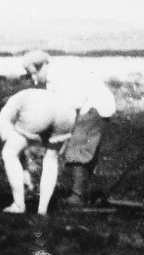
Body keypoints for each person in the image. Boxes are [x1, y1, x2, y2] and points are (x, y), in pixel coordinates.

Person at [20, 50, 116, 206]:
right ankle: (82, 193)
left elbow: (72, 103)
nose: (34, 80)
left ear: (42, 67)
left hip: (93, 107)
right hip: (88, 106)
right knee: (81, 149)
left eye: (34, 74)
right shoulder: (53, 75)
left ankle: (77, 197)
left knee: (77, 149)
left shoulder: (59, 74)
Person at [0, 88, 77, 215]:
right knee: (51, 159)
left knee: (9, 153)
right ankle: (42, 211)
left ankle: (18, 205)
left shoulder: (4, 114)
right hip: (67, 112)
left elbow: (14, 151)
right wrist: (25, 172)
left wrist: (25, 175)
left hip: (39, 112)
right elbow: (21, 153)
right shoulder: (24, 96)